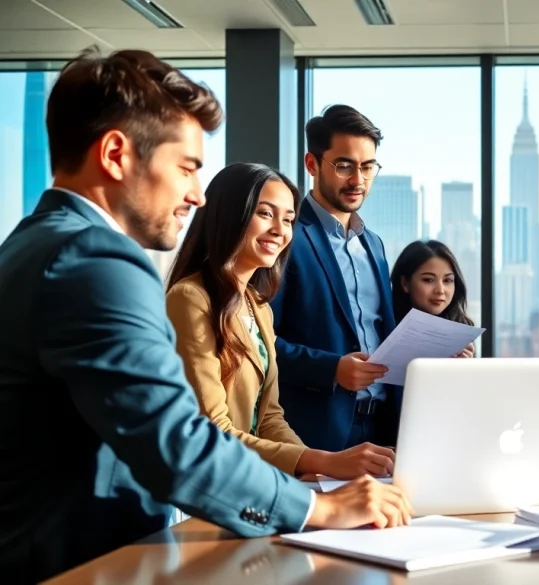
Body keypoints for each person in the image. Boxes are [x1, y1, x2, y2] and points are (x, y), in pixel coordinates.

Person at [0, 49, 409, 583]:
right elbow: (178, 441)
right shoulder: (94, 259)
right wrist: (321, 509)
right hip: (77, 563)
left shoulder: (38, 243)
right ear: (117, 154)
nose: (197, 193)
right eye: (187, 167)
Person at [166, 162, 396, 479]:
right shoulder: (190, 298)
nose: (280, 229)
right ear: (230, 214)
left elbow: (270, 417)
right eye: (265, 214)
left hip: (256, 481)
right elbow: (212, 427)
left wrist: (312, 473)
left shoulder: (258, 306)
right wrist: (321, 462)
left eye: (288, 219)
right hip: (213, 483)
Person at [270, 105, 399, 454]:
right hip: (315, 432)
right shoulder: (286, 238)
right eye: (344, 166)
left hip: (383, 428)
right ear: (312, 164)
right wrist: (331, 369)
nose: (358, 180)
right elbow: (258, 340)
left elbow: (384, 335)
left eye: (368, 167)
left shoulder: (374, 244)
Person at [390, 239, 475, 358]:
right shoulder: (384, 326)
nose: (440, 290)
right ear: (405, 283)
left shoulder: (461, 333)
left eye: (447, 280)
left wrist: (464, 369)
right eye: (428, 280)